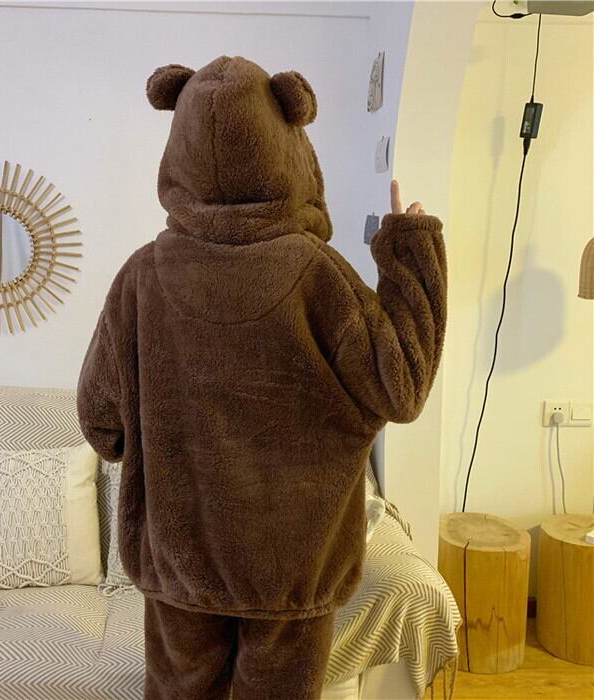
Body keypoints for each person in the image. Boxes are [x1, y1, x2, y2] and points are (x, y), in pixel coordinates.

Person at [77, 55, 447, 700]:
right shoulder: (318, 273)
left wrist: (167, 440)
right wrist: (410, 250)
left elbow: (102, 425)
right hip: (292, 572)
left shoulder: (140, 276)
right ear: (289, 139)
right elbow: (402, 387)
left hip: (180, 569)